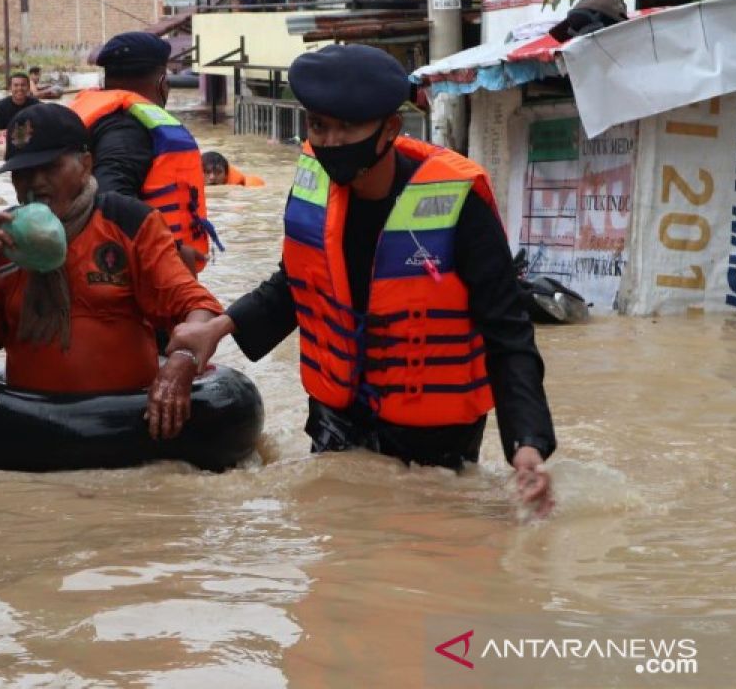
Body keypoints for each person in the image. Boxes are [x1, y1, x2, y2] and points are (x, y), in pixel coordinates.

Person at [166, 44, 557, 516]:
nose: (330, 142)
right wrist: (217, 328)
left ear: (390, 129)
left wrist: (527, 444)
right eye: (318, 126)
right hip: (337, 413)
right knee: (340, 550)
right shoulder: (312, 182)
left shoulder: (458, 202)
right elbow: (297, 283)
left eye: (347, 127)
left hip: (432, 432)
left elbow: (507, 329)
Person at [0, 103, 224, 439]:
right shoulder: (0, 237)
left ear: (86, 164)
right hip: (31, 426)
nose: (35, 183)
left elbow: (201, 309)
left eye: (49, 167)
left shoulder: (129, 223)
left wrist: (181, 359)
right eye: (22, 172)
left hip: (126, 424)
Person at [69, 31, 216, 274]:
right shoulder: (127, 129)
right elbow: (109, 197)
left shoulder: (96, 117)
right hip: (128, 277)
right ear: (161, 83)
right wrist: (169, 249)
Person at [0, 73, 41, 142]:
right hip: (8, 139)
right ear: (10, 88)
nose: (19, 88)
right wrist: (6, 133)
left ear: (28, 87)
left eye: (23, 85)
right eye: (16, 85)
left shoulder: (37, 105)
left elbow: (44, 126)